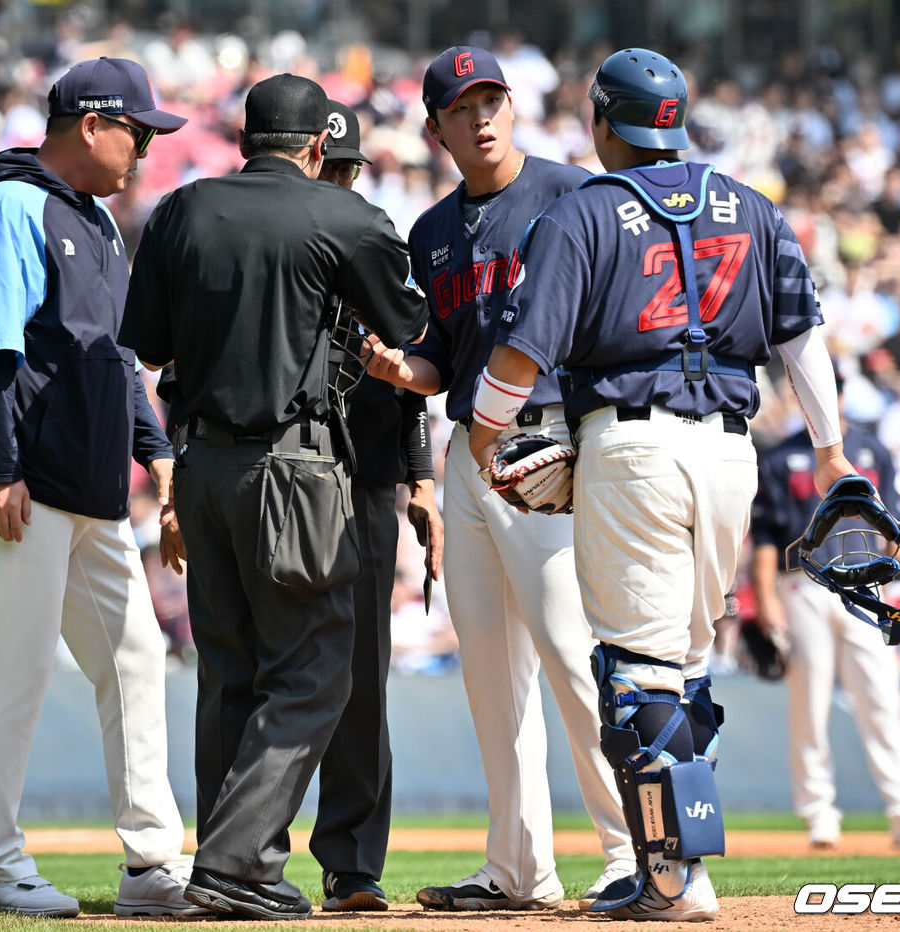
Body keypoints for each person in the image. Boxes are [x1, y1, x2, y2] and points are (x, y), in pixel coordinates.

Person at [468, 47, 859, 922]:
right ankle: (687, 869)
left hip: (632, 445)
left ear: (605, 122)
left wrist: (487, 438)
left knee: (637, 673)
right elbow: (803, 338)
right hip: (729, 452)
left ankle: (677, 881)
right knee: (683, 667)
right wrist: (830, 450)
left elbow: (520, 352)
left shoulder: (585, 212)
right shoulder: (750, 206)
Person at [118, 74, 428, 921]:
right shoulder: (346, 216)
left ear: (245, 135)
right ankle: (234, 864)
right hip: (290, 468)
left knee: (230, 673)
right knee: (315, 670)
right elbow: (409, 328)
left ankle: (236, 873)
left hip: (203, 464)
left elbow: (145, 344)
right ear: (320, 147)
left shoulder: (182, 210)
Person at [366, 45, 636, 912]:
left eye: (492, 99)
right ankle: (517, 868)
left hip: (550, 442)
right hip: (466, 456)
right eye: (461, 105)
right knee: (489, 669)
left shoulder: (573, 193)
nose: (480, 116)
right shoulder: (433, 231)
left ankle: (633, 851)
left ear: (513, 108)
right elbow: (440, 362)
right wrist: (392, 367)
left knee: (569, 650)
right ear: (437, 127)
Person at [0, 57, 201, 918]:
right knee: (14, 668)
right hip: (15, 465)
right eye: (137, 130)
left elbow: (116, 359)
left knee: (134, 655)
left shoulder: (99, 220)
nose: (145, 148)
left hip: (85, 475)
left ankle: (151, 864)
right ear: (90, 125)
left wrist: (157, 456)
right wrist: (0, 466)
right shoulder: (6, 202)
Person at [310, 99, 444, 913]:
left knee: (361, 678)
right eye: (323, 165)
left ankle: (352, 864)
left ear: (355, 171)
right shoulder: (265, 237)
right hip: (281, 469)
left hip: (361, 478)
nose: (336, 179)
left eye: (343, 168)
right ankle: (238, 858)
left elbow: (413, 373)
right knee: (272, 668)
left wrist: (421, 479)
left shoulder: (375, 241)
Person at [751, 369, 900, 846]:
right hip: (803, 584)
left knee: (882, 699)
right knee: (810, 704)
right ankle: (819, 813)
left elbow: (897, 522)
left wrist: (892, 574)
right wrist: (764, 600)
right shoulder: (782, 458)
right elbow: (766, 537)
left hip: (866, 583)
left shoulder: (871, 451)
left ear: (838, 396)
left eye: (825, 391)